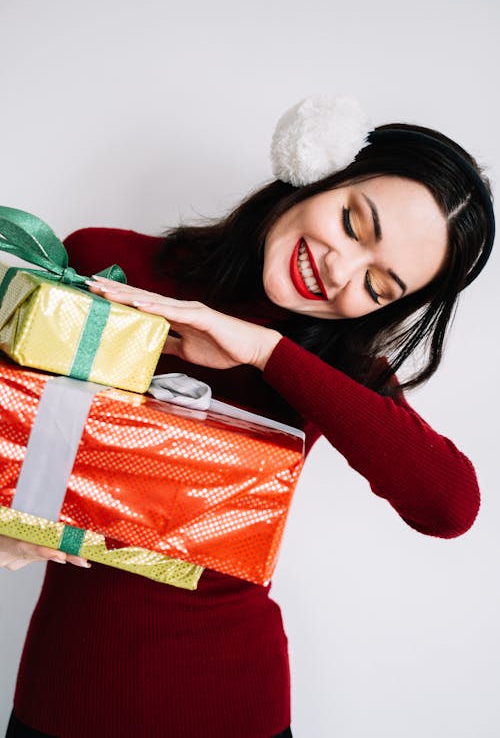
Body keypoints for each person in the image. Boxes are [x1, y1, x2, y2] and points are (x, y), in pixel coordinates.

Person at [0, 96, 495, 738]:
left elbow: (450, 505)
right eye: (352, 222)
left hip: (235, 705)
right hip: (65, 694)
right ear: (318, 169)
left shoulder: (330, 371)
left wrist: (262, 350)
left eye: (378, 286)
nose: (339, 272)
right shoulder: (109, 264)